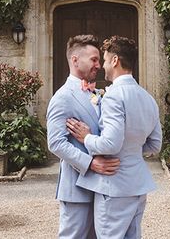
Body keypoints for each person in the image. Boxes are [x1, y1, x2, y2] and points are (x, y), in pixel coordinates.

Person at [66, 36, 162, 239]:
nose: (103, 66)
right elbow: (155, 144)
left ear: (115, 60)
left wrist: (87, 138)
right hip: (138, 184)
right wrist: (131, 150)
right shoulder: (148, 98)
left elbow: (111, 143)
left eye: (106, 59)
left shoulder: (113, 95)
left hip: (114, 185)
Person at [47, 34, 121, 239]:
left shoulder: (99, 94)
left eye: (99, 60)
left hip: (103, 188)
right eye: (94, 60)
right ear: (75, 60)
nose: (98, 65)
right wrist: (90, 164)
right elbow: (55, 143)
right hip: (77, 188)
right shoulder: (62, 97)